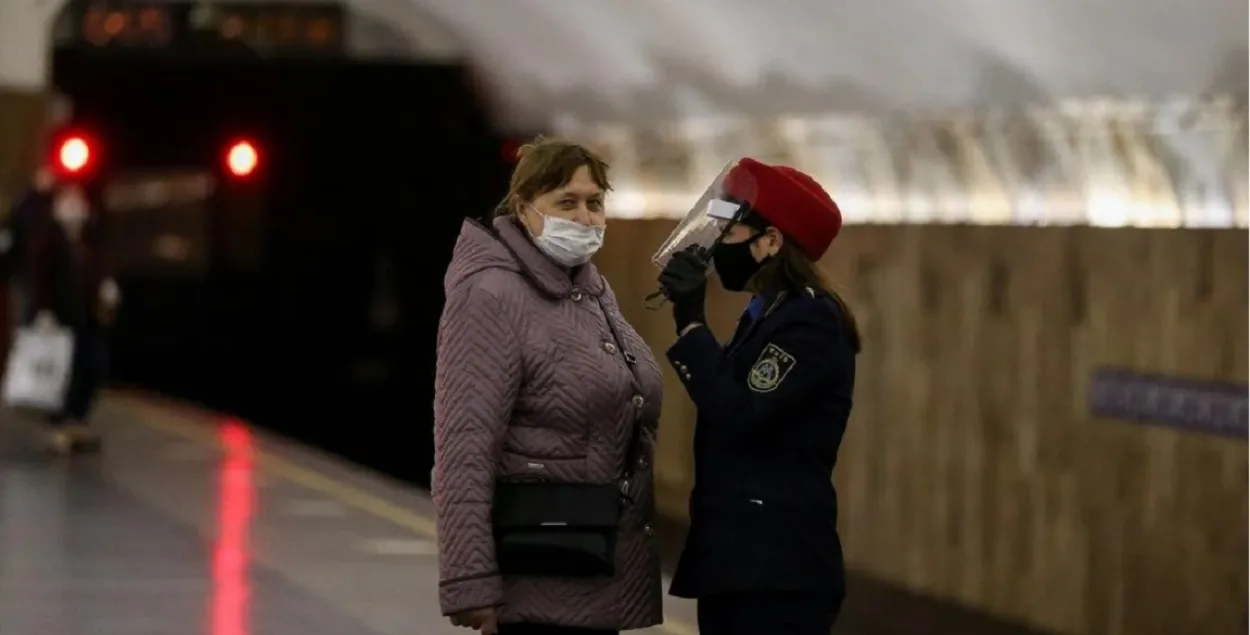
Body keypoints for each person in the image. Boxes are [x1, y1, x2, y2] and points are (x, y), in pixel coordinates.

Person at [433, 138, 665, 635]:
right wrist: (470, 580)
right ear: (522, 208)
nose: (584, 218)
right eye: (566, 202)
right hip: (538, 576)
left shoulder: (590, 290)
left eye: (594, 202)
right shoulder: (491, 294)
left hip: (592, 568)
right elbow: (464, 446)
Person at [657, 157, 861, 635]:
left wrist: (691, 320)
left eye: (729, 233)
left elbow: (739, 412)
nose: (716, 248)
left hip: (775, 572)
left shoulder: (809, 321)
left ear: (771, 242)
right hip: (739, 566)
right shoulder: (766, 315)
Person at [26, 182, 118, 454]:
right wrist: (42, 311)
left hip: (89, 314)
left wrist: (107, 287)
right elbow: (38, 279)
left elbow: (101, 267)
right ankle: (60, 424)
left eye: (78, 203)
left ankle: (79, 420)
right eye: (68, 203)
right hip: (60, 316)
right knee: (62, 370)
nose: (75, 209)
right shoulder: (49, 240)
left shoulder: (91, 238)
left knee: (92, 365)